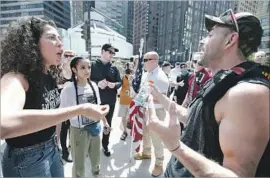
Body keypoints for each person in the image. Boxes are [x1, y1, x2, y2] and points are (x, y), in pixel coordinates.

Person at [146, 10, 269, 177]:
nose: (202, 40)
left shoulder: (247, 94)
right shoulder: (222, 79)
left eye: (210, 34)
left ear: (230, 40)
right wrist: (158, 96)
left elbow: (237, 175)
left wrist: (175, 147)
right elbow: (198, 119)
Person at [0, 17, 109, 177]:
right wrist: (81, 109)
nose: (60, 43)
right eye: (52, 37)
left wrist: (57, 140)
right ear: (31, 43)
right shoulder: (15, 78)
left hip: (52, 148)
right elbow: (3, 123)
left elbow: (52, 111)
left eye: (60, 38)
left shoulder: (49, 75)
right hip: (26, 159)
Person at [60, 57, 109, 177]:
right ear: (74, 69)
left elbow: (98, 107)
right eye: (82, 67)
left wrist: (105, 122)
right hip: (78, 132)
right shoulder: (68, 89)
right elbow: (61, 113)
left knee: (96, 163)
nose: (87, 70)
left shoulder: (93, 86)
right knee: (79, 167)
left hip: (95, 129)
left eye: (89, 67)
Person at [134, 51, 169, 177]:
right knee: (146, 133)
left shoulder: (160, 77)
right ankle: (147, 152)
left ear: (153, 60)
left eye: (145, 60)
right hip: (146, 108)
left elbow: (163, 97)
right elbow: (143, 90)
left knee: (157, 138)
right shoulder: (147, 74)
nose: (143, 63)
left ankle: (159, 162)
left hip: (157, 110)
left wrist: (144, 99)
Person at [90, 43, 122, 157]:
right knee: (92, 123)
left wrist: (115, 85)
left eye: (113, 53)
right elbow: (86, 80)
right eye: (110, 52)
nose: (112, 55)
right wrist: (97, 83)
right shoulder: (92, 65)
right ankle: (91, 146)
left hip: (110, 101)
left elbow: (120, 82)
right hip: (94, 100)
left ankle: (105, 145)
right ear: (102, 51)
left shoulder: (114, 68)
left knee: (107, 124)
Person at [57, 50, 75, 163]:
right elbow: (53, 85)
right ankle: (64, 152)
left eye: (71, 56)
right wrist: (63, 85)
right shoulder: (58, 70)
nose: (68, 58)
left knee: (71, 127)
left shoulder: (75, 71)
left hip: (72, 103)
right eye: (66, 55)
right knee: (63, 128)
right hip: (60, 104)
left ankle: (70, 147)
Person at [118, 63, 133, 141]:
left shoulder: (133, 78)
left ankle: (128, 131)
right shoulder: (122, 78)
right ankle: (124, 131)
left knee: (130, 117)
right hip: (124, 100)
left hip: (131, 100)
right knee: (124, 117)